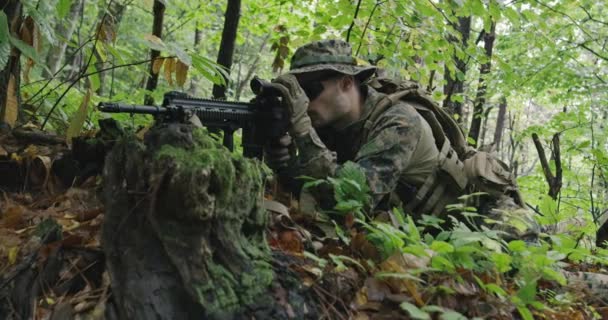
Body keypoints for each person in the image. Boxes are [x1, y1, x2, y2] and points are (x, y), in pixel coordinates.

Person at [265, 39, 538, 240]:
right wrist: (287, 165)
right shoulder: (330, 127)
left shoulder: (399, 121)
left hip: (487, 223)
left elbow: (354, 202)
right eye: (297, 92)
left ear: (347, 83)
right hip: (430, 237)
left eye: (310, 90)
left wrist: (302, 130)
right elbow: (322, 189)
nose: (303, 101)